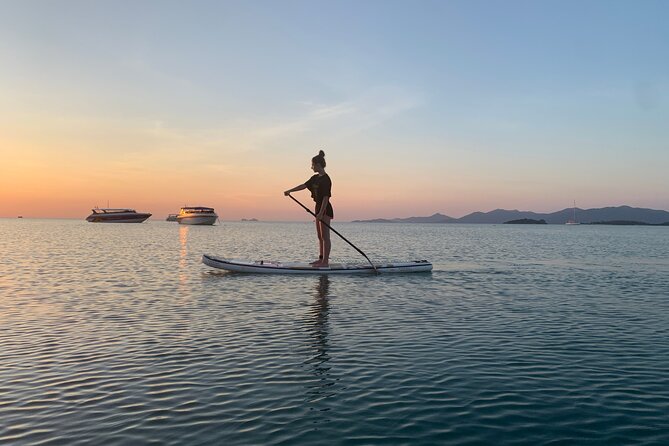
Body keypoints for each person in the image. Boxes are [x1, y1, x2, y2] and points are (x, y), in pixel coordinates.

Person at [284, 150, 334, 267]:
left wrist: (321, 213)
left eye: (312, 165)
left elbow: (326, 197)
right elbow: (304, 185)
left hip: (325, 209)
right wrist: (290, 190)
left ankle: (325, 262)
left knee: (325, 236)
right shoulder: (315, 178)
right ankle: (320, 259)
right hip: (317, 208)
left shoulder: (326, 179)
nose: (311, 167)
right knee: (319, 236)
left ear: (318, 165)